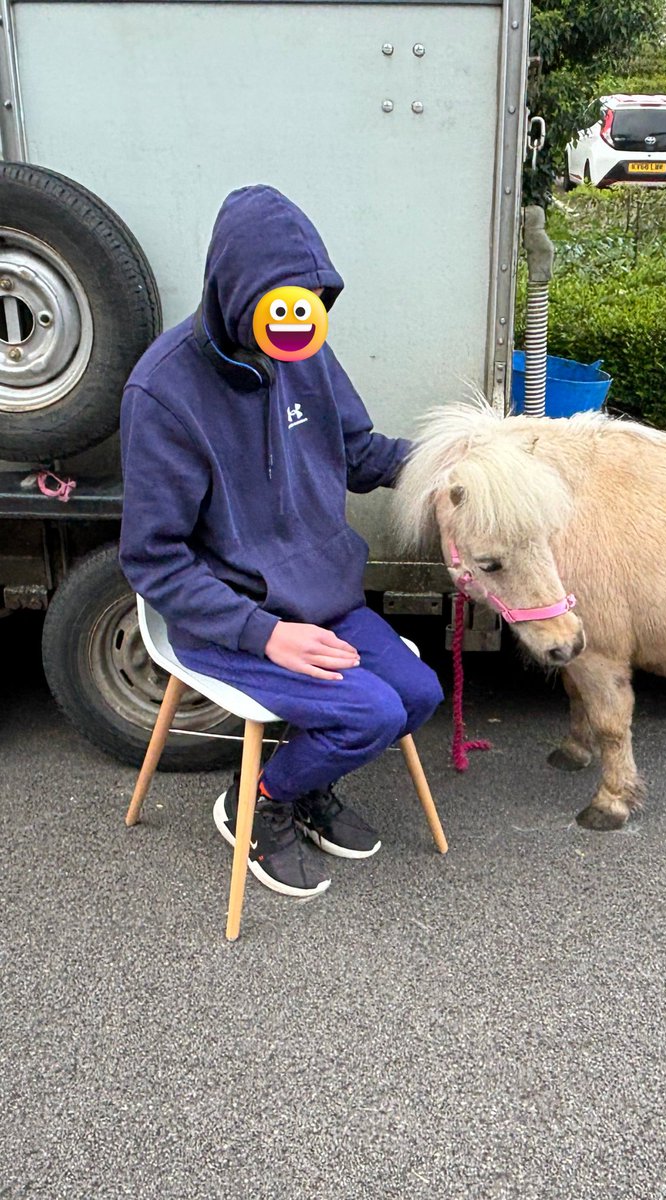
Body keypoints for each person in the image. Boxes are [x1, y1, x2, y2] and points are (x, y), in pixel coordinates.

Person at [119, 185, 443, 899]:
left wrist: (451, 463)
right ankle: (258, 800)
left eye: (312, 299)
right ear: (236, 293)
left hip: (322, 595)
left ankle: (305, 777)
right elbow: (153, 560)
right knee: (373, 713)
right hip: (231, 620)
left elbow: (358, 450)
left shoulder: (304, 350)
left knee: (417, 693)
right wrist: (263, 635)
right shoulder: (162, 393)